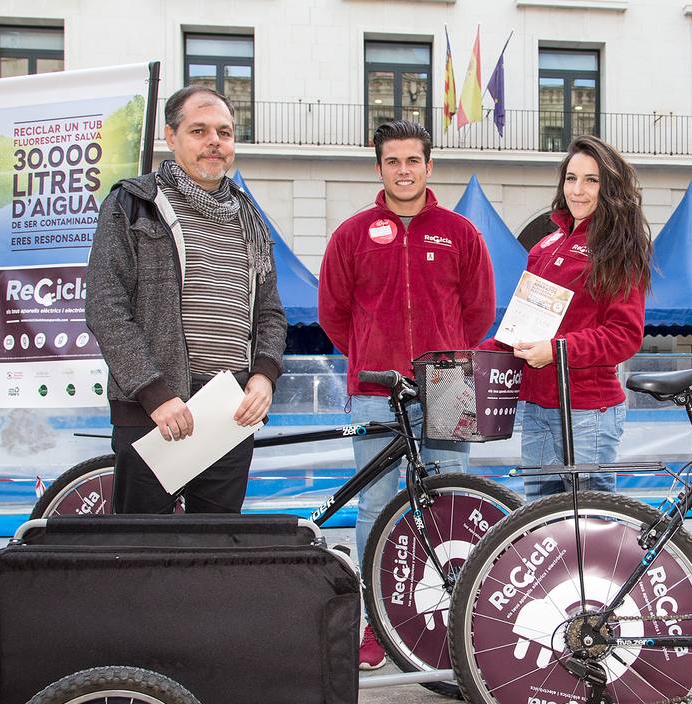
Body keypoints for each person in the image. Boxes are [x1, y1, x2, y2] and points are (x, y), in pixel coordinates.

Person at [318, 119, 496, 669]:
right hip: (375, 390)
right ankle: (376, 622)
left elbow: (480, 311)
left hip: (448, 385)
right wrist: (374, 359)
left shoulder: (460, 232)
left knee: (450, 502)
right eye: (392, 161)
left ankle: (449, 619)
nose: (403, 171)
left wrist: (445, 361)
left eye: (412, 161)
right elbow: (334, 314)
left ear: (428, 166)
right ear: (379, 168)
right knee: (376, 505)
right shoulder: (352, 234)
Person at [86, 85, 287, 514]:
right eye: (199, 130)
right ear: (170, 136)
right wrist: (155, 394)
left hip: (227, 412)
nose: (214, 141)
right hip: (153, 411)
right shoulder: (132, 204)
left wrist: (264, 376)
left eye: (224, 132)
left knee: (212, 556)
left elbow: (270, 313)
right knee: (141, 555)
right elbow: (106, 306)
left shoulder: (250, 220)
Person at [508, 135, 650, 499]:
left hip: (589, 411)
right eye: (571, 178)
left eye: (591, 180)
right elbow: (520, 326)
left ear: (610, 186)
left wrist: (556, 352)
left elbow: (624, 335)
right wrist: (467, 358)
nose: (578, 190)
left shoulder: (618, 248)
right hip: (538, 406)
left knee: (588, 526)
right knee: (541, 524)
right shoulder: (545, 245)